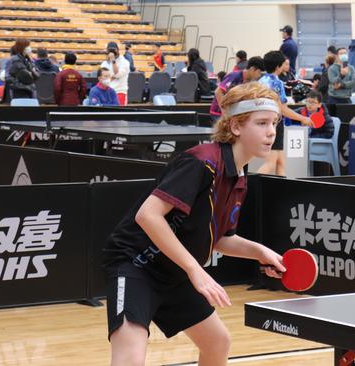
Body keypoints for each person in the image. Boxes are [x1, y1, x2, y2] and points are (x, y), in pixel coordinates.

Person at [103, 81, 285, 366]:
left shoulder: (238, 176)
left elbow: (221, 238)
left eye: (274, 123)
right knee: (130, 358)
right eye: (261, 123)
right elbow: (147, 215)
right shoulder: (202, 162)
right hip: (137, 266)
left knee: (217, 342)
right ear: (236, 127)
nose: (271, 131)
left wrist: (260, 252)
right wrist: (194, 270)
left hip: (174, 272)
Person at [257, 50, 313, 176]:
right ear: (278, 66)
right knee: (270, 163)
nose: (285, 65)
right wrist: (302, 119)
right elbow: (282, 108)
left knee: (280, 162)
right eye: (283, 63)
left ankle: (281, 192)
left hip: (265, 122)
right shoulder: (276, 83)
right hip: (274, 123)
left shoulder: (261, 80)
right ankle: (248, 189)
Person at [210, 56, 265, 121]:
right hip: (218, 113)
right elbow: (218, 92)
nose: (259, 76)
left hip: (232, 113)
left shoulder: (249, 81)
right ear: (252, 69)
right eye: (259, 72)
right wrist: (225, 112)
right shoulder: (234, 76)